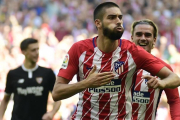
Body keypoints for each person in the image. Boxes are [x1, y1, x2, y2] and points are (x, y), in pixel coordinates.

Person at [52, 2, 180, 120]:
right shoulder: (79, 49)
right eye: (112, 17)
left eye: (120, 17)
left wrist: (162, 84)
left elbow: (175, 78)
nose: (118, 21)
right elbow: (57, 93)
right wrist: (86, 83)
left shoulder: (133, 52)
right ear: (98, 23)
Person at [0, 38, 61, 120]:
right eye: (33, 50)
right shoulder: (13, 74)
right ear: (23, 52)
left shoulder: (47, 73)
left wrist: (52, 113)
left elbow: (58, 98)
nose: (37, 53)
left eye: (37, 49)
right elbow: (6, 99)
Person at [131, 19, 180, 120]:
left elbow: (174, 100)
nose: (143, 38)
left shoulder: (163, 68)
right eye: (139, 34)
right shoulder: (119, 63)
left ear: (154, 40)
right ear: (132, 38)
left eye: (148, 35)